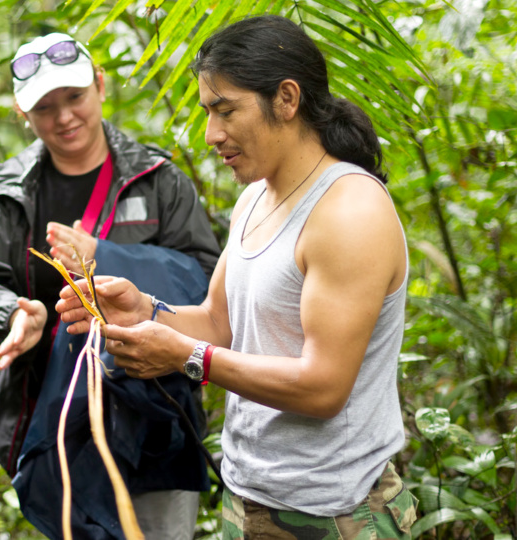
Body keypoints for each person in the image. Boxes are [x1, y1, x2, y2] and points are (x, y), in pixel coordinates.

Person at [57, 15, 419, 539]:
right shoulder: (255, 197)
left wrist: (185, 357)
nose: (211, 134)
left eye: (226, 111)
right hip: (248, 498)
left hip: (336, 513)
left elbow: (324, 388)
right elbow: (218, 322)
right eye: (208, 112)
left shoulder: (350, 212)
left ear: (287, 99)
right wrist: (144, 310)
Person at [0, 32, 221, 540]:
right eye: (45, 107)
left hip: (155, 423)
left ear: (100, 86)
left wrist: (106, 255)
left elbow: (206, 283)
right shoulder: (6, 193)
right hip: (57, 422)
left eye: (75, 96)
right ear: (23, 113)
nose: (64, 117)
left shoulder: (157, 179)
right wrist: (17, 315)